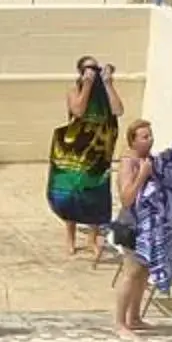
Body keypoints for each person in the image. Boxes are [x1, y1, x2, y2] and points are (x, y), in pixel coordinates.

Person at [45, 57, 124, 260]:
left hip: (99, 150)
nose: (93, 72)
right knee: (72, 191)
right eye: (89, 68)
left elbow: (118, 110)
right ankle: (70, 236)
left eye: (96, 68)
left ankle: (92, 237)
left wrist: (108, 84)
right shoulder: (75, 91)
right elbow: (78, 110)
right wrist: (87, 84)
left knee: (96, 192)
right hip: (76, 150)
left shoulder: (105, 94)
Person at [109, 119, 172, 336]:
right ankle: (120, 323)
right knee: (131, 272)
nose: (150, 139)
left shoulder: (147, 159)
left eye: (150, 135)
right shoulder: (129, 162)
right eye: (145, 137)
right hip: (132, 225)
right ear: (133, 140)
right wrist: (143, 175)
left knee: (144, 271)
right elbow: (126, 198)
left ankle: (134, 318)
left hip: (149, 225)